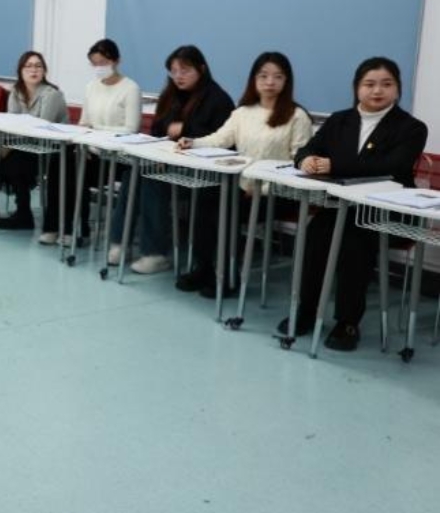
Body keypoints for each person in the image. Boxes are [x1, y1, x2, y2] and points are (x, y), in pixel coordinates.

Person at [281, 57, 427, 351]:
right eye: (369, 84)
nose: (377, 91)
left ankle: (348, 322)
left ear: (398, 89)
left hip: (386, 211)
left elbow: (392, 166)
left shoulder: (411, 127)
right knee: (315, 236)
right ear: (357, 88)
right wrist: (305, 160)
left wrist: (334, 164)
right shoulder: (339, 120)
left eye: (387, 84)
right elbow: (308, 149)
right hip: (340, 207)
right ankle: (307, 310)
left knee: (354, 241)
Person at [175, 52, 313, 294]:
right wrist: (193, 142)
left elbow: (298, 163)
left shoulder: (297, 116)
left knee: (228, 208)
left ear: (286, 81)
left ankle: (228, 276)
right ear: (254, 79)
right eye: (263, 76)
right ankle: (203, 268)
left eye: (278, 77)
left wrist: (262, 188)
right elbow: (220, 139)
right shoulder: (243, 112)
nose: (270, 82)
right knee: (204, 198)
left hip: (278, 191)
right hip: (243, 187)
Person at [128, 45, 233, 280]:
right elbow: (158, 130)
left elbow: (221, 140)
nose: (178, 76)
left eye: (185, 70)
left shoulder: (218, 99)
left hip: (203, 174)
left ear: (201, 69)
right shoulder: (171, 95)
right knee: (133, 174)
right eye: (174, 71)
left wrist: (185, 129)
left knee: (152, 181)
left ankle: (155, 253)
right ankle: (120, 243)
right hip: (170, 164)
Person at [0, 51, 83, 243]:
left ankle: (23, 214)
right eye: (29, 66)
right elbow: (11, 124)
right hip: (25, 145)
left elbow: (40, 127)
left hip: (52, 150)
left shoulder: (52, 94)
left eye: (38, 66)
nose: (34, 70)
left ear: (44, 71)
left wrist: (9, 145)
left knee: (14, 162)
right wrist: (8, 145)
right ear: (20, 71)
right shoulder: (16, 92)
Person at [81, 39, 143, 266]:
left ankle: (119, 243)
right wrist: (86, 140)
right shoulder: (91, 87)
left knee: (128, 181)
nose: (99, 68)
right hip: (94, 152)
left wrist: (97, 130)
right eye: (94, 63)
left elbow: (131, 129)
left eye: (103, 62)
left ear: (116, 61)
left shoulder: (130, 88)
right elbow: (84, 123)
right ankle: (73, 229)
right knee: (66, 164)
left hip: (120, 158)